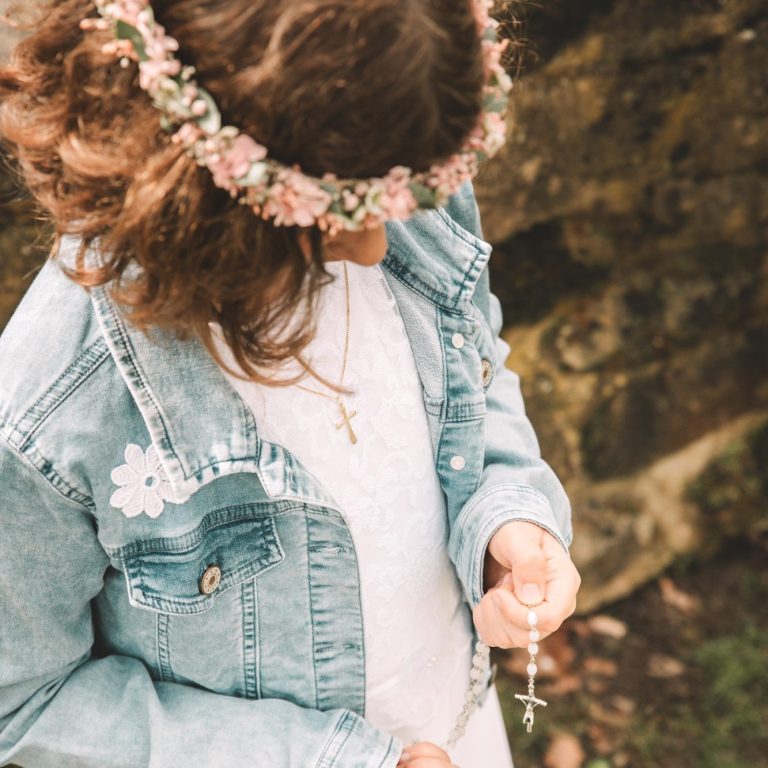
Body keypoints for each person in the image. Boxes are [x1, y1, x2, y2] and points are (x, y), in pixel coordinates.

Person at [0, 1, 580, 766]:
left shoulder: (396, 168)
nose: (378, 246)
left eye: (402, 201)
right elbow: (23, 705)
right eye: (347, 214)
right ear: (205, 188)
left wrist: (505, 514)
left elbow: (474, 355)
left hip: (455, 727)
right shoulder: (56, 409)